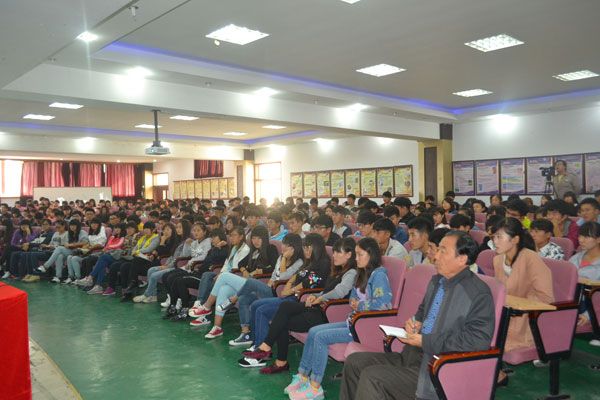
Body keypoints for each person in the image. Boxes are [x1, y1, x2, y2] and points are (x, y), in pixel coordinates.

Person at [340, 231, 494, 400]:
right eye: (438, 249)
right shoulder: (437, 281)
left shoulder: (477, 293)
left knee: (373, 377)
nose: (436, 256)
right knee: (355, 362)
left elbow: (478, 341)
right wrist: (415, 322)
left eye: (443, 251)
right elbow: (422, 311)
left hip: (437, 368)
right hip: (413, 356)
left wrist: (425, 341)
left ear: (462, 259)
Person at [279, 237, 392, 399]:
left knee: (321, 337)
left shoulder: (379, 275)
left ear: (371, 255)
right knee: (314, 331)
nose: (356, 258)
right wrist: (354, 303)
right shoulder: (361, 273)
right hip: (353, 322)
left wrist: (359, 305)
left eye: (360, 255)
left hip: (366, 327)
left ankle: (315, 387)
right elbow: (353, 298)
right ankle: (302, 376)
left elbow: (383, 304)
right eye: (356, 254)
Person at [244, 237, 358, 373]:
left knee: (283, 313)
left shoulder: (351, 272)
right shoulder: (337, 270)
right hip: (316, 307)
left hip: (326, 313)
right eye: (334, 252)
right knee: (282, 316)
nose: (334, 255)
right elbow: (325, 290)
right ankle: (277, 359)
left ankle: (268, 349)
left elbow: (340, 292)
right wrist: (315, 296)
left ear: (349, 254)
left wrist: (319, 298)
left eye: (338, 252)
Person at [492, 217, 553, 377]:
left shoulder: (531, 258)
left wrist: (519, 303)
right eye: (494, 237)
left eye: (499, 237)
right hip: (505, 313)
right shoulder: (497, 260)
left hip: (525, 318)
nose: (495, 241)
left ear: (515, 239)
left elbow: (546, 297)